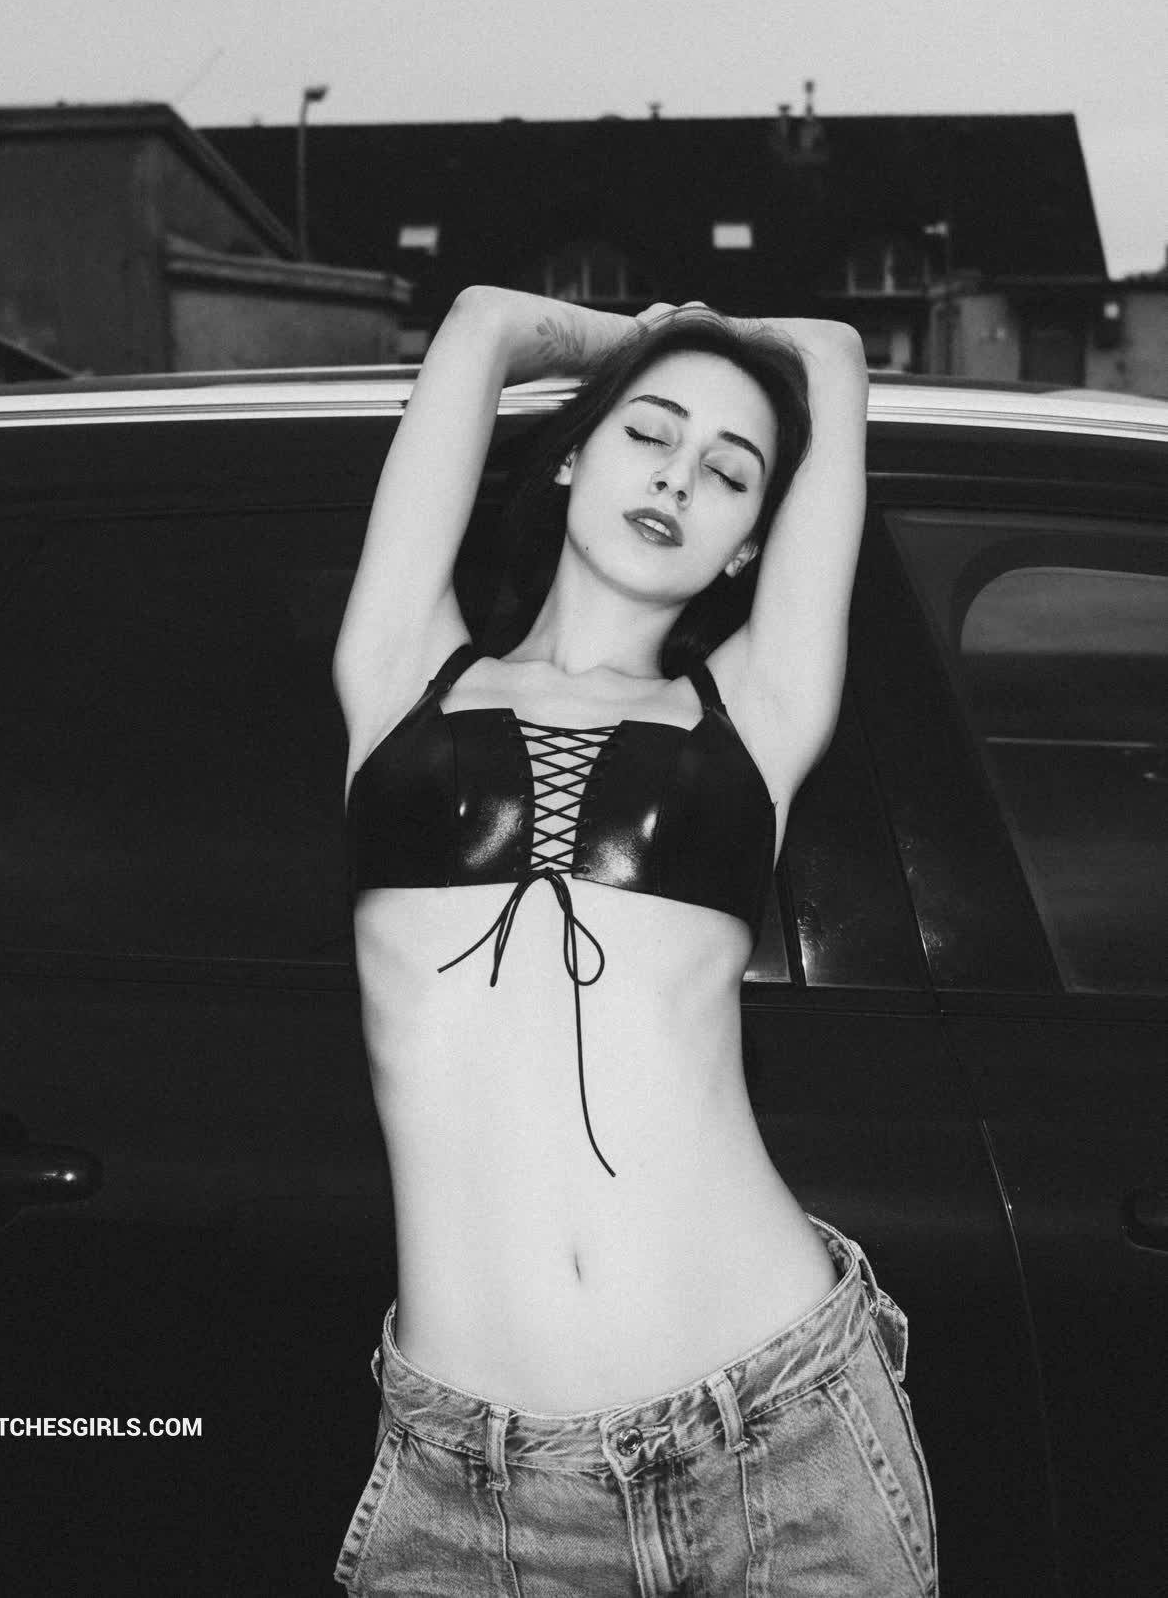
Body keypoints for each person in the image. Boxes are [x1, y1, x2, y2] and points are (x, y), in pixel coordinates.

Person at [332, 287, 937, 1596]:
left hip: (779, 1432)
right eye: (648, 434)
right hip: (470, 1485)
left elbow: (833, 355)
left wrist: (687, 356)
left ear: (748, 546)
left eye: (730, 473)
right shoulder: (402, 677)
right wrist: (649, 336)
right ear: (569, 458)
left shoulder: (757, 713)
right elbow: (483, 324)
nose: (677, 478)